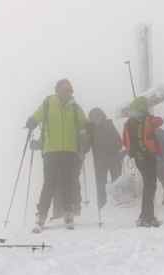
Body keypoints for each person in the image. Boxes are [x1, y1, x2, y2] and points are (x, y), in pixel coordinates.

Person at [26, 79, 88, 232]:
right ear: (57, 90)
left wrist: (89, 126)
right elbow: (37, 116)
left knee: (67, 182)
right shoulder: (48, 104)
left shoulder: (74, 107)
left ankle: (68, 213)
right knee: (49, 183)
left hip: (69, 150)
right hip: (51, 150)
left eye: (70, 90)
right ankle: (41, 215)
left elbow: (83, 122)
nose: (68, 92)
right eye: (65, 89)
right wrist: (32, 121)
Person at [122, 97, 164, 227]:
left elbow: (125, 140)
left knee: (148, 185)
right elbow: (160, 121)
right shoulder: (148, 120)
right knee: (150, 186)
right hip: (148, 156)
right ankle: (147, 217)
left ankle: (145, 216)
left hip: (138, 157)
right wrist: (148, 115)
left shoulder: (129, 123)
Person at [87, 108, 123, 209]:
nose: (96, 119)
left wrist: (113, 148)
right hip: (100, 161)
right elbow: (87, 145)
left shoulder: (109, 125)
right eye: (93, 117)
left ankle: (118, 202)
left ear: (102, 116)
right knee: (100, 184)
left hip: (113, 158)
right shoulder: (91, 129)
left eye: (97, 116)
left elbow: (119, 141)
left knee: (116, 181)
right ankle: (102, 205)